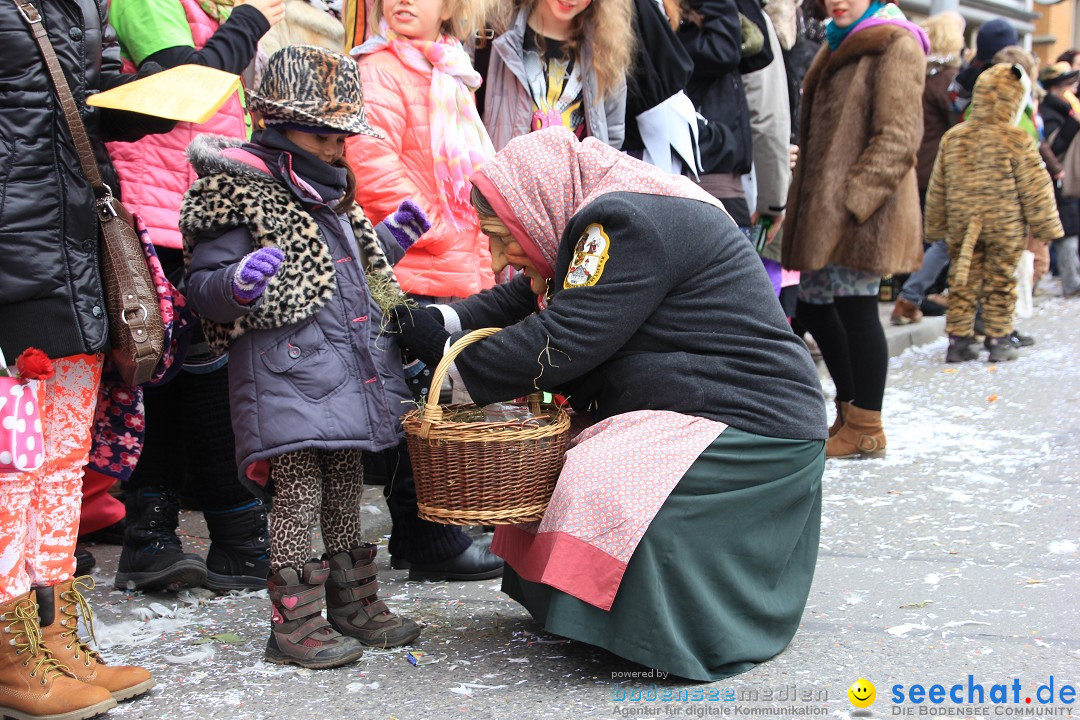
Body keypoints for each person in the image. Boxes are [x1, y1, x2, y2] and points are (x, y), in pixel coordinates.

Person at [390, 126, 827, 681]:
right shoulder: (603, 205)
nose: (499, 255)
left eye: (501, 236)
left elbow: (565, 338)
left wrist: (449, 361)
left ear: (536, 204)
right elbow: (528, 292)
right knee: (572, 457)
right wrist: (440, 321)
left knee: (600, 475)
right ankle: (586, 612)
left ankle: (652, 633)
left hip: (753, 424)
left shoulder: (626, 223)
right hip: (702, 404)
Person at [182, 46, 422, 669]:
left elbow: (352, 277)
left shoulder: (333, 193)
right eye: (324, 135)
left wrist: (391, 239)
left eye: (342, 137)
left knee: (346, 487)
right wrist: (237, 281)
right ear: (275, 123)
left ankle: (351, 602)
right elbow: (202, 286)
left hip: (343, 371)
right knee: (296, 494)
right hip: (283, 373)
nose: (338, 149)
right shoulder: (235, 191)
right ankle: (294, 623)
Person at [0, 0, 174, 714]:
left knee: (61, 464)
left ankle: (52, 637)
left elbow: (75, 115)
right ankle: (11, 657)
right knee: (12, 470)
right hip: (15, 261)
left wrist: (144, 103)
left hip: (75, 256)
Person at [104, 0, 287, 593]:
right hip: (154, 214)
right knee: (171, 380)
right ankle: (164, 537)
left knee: (202, 379)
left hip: (202, 211)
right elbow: (192, 87)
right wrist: (252, 20)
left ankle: (216, 537)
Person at [782, 0, 928, 459]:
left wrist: (853, 201)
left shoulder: (895, 42)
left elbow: (900, 135)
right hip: (828, 210)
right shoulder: (837, 41)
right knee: (816, 304)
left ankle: (867, 423)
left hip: (863, 212)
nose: (836, 1)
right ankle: (849, 411)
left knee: (857, 308)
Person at [347, 0, 496, 300]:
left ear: (448, 8)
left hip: (458, 272)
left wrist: (483, 263)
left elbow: (473, 182)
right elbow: (373, 173)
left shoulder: (453, 73)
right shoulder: (377, 71)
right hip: (405, 275)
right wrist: (438, 232)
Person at [925, 63, 1063, 363]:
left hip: (963, 223)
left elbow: (939, 186)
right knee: (1001, 280)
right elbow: (1035, 187)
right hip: (1005, 224)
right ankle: (998, 337)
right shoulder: (1017, 139)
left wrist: (935, 225)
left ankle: (959, 339)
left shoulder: (955, 137)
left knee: (962, 280)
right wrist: (1047, 227)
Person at [891, 11, 965, 326]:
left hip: (917, 164)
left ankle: (911, 291)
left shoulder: (921, 72)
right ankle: (918, 293)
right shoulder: (946, 79)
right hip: (935, 168)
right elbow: (957, 123)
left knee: (921, 233)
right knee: (936, 235)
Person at [482, 0, 632, 151]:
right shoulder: (491, 33)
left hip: (575, 172)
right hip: (504, 169)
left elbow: (612, 133)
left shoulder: (605, 49)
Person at [1038, 62, 1080, 299]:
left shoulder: (1063, 109)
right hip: (1058, 179)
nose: (1072, 91)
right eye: (1068, 86)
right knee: (1065, 231)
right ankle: (1071, 282)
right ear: (1056, 88)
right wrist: (1073, 124)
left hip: (1067, 179)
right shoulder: (1051, 112)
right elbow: (1052, 146)